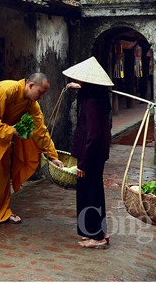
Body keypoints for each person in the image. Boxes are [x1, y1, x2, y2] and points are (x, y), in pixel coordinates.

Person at [0, 72, 63, 229]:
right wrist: (11, 130)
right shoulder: (6, 89)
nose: (41, 97)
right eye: (40, 92)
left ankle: (2, 211)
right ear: (30, 85)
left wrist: (52, 156)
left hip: (3, 135)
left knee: (2, 173)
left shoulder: (31, 103)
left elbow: (40, 130)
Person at [63, 56, 114, 249]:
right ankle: (96, 231)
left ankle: (97, 236)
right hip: (95, 154)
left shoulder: (92, 101)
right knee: (91, 193)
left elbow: (93, 135)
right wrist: (76, 87)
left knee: (91, 194)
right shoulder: (97, 95)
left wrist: (83, 163)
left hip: (91, 154)